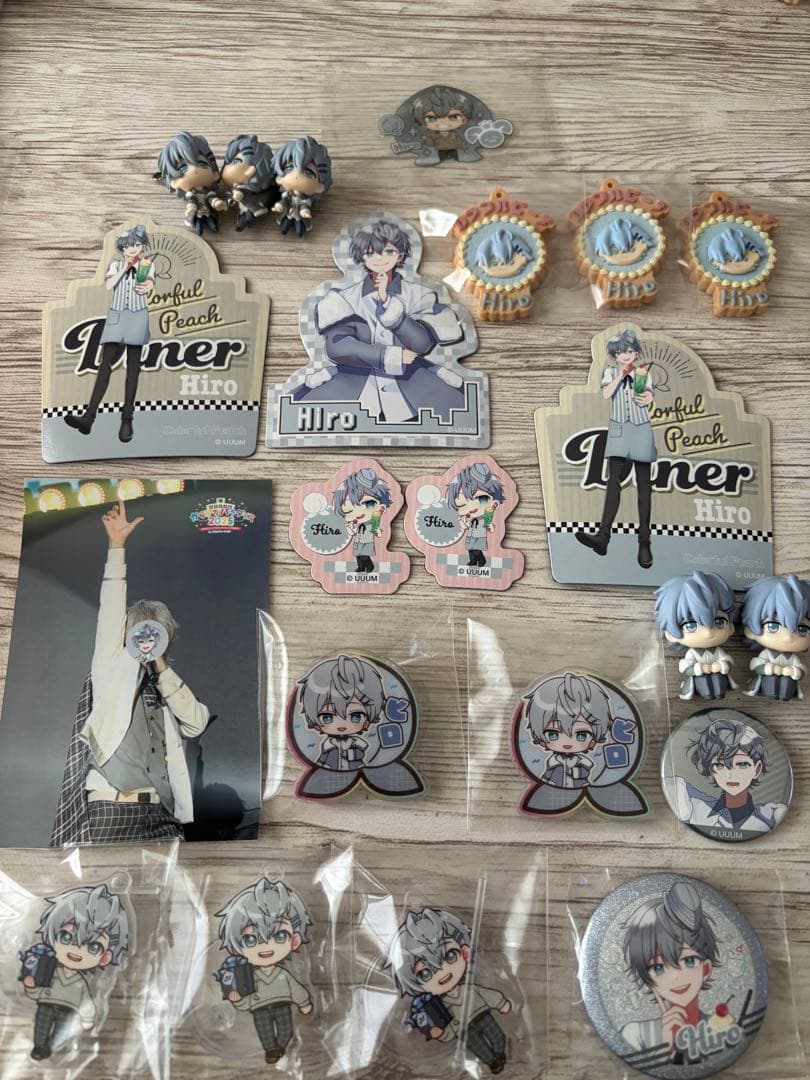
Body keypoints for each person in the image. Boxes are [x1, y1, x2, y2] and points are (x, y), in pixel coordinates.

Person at [50, 500, 210, 845]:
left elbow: (196, 723)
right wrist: (117, 546)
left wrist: (162, 665)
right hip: (112, 808)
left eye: (158, 633)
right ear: (127, 634)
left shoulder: (167, 685)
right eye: (141, 631)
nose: (148, 639)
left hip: (161, 815)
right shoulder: (111, 669)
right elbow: (110, 609)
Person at [297, 220, 468, 423]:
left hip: (412, 385)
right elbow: (338, 347)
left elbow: (422, 343)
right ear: (361, 256)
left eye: (388, 251)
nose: (380, 258)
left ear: (400, 255)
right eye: (371, 253)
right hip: (353, 387)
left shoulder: (419, 294)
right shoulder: (344, 298)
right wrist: (386, 355)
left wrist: (390, 306)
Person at [385, 907, 511, 1075]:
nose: (442, 971)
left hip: (482, 1015)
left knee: (498, 1037)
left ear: (464, 952)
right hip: (465, 1030)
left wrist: (501, 1003)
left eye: (450, 956)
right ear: (415, 984)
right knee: (479, 1048)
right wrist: (441, 1034)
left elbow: (486, 994)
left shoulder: (468, 988)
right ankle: (493, 1061)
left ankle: (500, 1055)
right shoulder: (440, 1006)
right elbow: (449, 1026)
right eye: (425, 974)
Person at [64, 225, 155, 443]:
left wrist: (147, 286)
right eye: (129, 245)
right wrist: (125, 268)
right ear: (123, 248)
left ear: (143, 246)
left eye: (137, 244)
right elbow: (109, 285)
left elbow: (150, 283)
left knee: (133, 368)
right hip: (116, 316)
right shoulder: (115, 265)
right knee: (105, 364)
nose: (133, 248)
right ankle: (89, 417)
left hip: (137, 316)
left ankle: (127, 420)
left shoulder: (147, 264)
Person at [575, 329, 657, 569]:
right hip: (619, 429)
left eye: (630, 351)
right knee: (613, 482)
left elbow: (648, 394)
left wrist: (648, 398)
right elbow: (606, 393)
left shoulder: (643, 373)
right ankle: (603, 536)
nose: (626, 355)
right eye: (621, 352)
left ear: (636, 352)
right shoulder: (610, 373)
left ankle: (644, 543)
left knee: (644, 487)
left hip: (641, 429)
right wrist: (620, 376)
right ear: (615, 355)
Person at [21, 884, 128, 1061]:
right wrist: (31, 987)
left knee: (59, 1033)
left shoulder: (80, 982)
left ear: (104, 958)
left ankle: (51, 1048)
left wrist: (87, 1018)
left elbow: (86, 1000)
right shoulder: (50, 972)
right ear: (52, 938)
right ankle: (40, 1047)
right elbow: (38, 989)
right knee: (41, 1029)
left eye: (94, 947)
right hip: (46, 1005)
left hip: (68, 1011)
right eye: (66, 937)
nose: (77, 949)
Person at [215, 878, 313, 1064]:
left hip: (283, 1005)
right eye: (251, 940)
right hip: (259, 1010)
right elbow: (245, 1001)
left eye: (280, 936)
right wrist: (238, 1000)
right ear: (238, 947)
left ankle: (280, 1047)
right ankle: (270, 1050)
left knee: (286, 1031)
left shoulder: (283, 974)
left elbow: (296, 989)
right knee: (265, 1034)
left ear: (294, 941)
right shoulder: (249, 977)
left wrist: (304, 1003)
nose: (266, 945)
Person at [621, 882, 721, 1063]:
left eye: (689, 961)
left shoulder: (721, 1029)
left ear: (706, 969)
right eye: (658, 968)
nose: (675, 976)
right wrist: (666, 1047)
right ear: (649, 981)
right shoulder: (636, 1034)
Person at [668, 712, 786, 834]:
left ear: (757, 769)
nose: (730, 774)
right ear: (711, 769)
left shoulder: (771, 816)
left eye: (742, 764)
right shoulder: (695, 806)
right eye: (719, 765)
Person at [654, 572, 737, 700]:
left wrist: (721, 665)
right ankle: (707, 694)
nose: (708, 632)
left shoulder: (718, 652)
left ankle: (718, 693)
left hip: (717, 675)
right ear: (671, 634)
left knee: (718, 678)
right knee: (702, 680)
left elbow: (728, 661)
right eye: (691, 625)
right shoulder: (692, 653)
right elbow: (686, 667)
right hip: (700, 678)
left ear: (730, 627)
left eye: (719, 622)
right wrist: (699, 668)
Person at [524, 672, 612, 789]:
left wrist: (575, 773)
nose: (567, 743)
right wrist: (544, 783)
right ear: (542, 740)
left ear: (592, 741)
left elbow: (585, 773)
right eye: (553, 735)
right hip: (555, 788)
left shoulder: (582, 761)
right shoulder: (553, 761)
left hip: (581, 788)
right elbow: (547, 775)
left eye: (581, 735)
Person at [741, 574, 810, 700]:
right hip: (768, 680)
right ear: (750, 630)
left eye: (802, 629)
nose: (788, 637)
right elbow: (755, 664)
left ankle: (785, 695)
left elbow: (801, 670)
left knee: (787, 682)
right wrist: (770, 668)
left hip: (787, 683)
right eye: (773, 626)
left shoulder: (792, 658)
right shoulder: (766, 654)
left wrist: (795, 671)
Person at [156, 131, 226, 235]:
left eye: (202, 164)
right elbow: (191, 201)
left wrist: (216, 202)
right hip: (197, 213)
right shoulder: (190, 194)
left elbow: (210, 198)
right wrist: (191, 208)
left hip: (209, 211)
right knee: (198, 226)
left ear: (215, 173)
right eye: (183, 168)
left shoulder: (208, 192)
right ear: (174, 183)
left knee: (213, 222)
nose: (194, 169)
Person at [333, 467, 391, 574]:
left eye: (369, 504)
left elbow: (377, 531)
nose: (359, 513)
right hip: (358, 541)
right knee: (358, 555)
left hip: (367, 541)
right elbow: (353, 533)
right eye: (348, 510)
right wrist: (349, 529)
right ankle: (360, 567)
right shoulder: (358, 525)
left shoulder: (373, 521)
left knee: (364, 555)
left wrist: (378, 531)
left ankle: (370, 566)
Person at [270, 136, 332, 237]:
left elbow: (304, 205)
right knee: (285, 223)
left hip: (299, 216)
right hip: (288, 213)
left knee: (299, 227)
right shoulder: (286, 194)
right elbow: (284, 201)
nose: (296, 176)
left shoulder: (305, 199)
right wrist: (279, 206)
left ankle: (300, 232)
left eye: (309, 173)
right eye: (289, 168)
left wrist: (305, 211)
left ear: (319, 187)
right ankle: (284, 229)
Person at [446, 462, 504, 568]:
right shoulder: (469, 518)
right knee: (470, 549)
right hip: (471, 536)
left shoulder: (485, 516)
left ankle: (482, 561)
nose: (472, 507)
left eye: (482, 499)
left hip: (480, 536)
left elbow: (490, 526)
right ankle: (472, 561)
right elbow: (465, 526)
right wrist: (462, 522)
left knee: (477, 550)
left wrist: (491, 526)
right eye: (461, 504)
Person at [220, 134, 276, 231]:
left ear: (250, 170)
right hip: (245, 207)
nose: (225, 167)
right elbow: (231, 198)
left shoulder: (244, 189)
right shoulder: (236, 188)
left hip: (250, 206)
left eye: (235, 161)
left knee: (246, 217)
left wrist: (237, 196)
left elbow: (240, 195)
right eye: (227, 163)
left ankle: (245, 221)